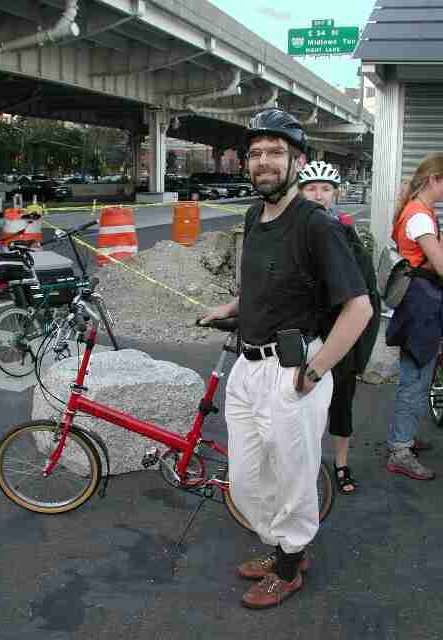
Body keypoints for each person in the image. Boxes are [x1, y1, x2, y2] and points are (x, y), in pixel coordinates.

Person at [200, 108, 373, 609]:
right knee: (250, 480)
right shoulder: (255, 215)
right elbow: (262, 282)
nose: (264, 161)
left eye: (276, 152)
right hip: (247, 367)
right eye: (256, 153)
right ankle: (282, 548)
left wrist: (313, 373)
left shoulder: (317, 225)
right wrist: (231, 308)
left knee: (294, 476)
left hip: (292, 370)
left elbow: (358, 308)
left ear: (298, 159)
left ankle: (289, 565)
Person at [298, 160, 359, 494]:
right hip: (305, 333)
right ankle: (306, 464)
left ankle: (341, 463)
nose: (318, 195)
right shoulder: (294, 232)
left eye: (325, 189)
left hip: (339, 332)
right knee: (300, 400)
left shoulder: (346, 232)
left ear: (335, 194)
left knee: (341, 400)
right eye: (311, 188)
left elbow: (365, 295)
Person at [386, 153, 443, 480]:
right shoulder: (420, 216)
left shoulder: (417, 210)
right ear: (434, 179)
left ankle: (403, 436)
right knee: (415, 379)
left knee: (417, 376)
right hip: (421, 307)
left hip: (416, 304)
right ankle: (400, 449)